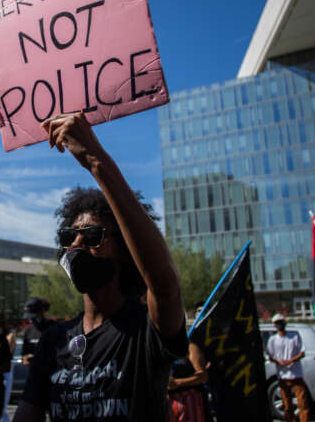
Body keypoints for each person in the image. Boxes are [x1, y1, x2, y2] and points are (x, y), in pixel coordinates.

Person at [13, 112, 187, 422]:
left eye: (92, 235)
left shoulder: (146, 328)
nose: (77, 244)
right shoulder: (54, 340)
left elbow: (164, 286)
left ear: (124, 249)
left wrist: (94, 158)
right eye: (70, 236)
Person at [265, 313, 309, 422]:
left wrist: (291, 360)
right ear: (274, 325)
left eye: (281, 322)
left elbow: (302, 352)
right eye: (277, 323)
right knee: (287, 405)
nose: (279, 325)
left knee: (303, 404)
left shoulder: (294, 336)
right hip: (282, 376)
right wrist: (279, 362)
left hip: (296, 374)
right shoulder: (272, 340)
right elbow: (270, 356)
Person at [167, 340, 209, 422]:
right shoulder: (155, 348)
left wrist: (177, 382)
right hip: (166, 403)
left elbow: (203, 376)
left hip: (189, 402)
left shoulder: (190, 347)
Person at [21, 298, 52, 367]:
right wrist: (25, 359)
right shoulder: (28, 330)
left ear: (42, 311)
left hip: (50, 372)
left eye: (35, 317)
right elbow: (23, 355)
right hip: (33, 372)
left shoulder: (52, 327)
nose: (32, 320)